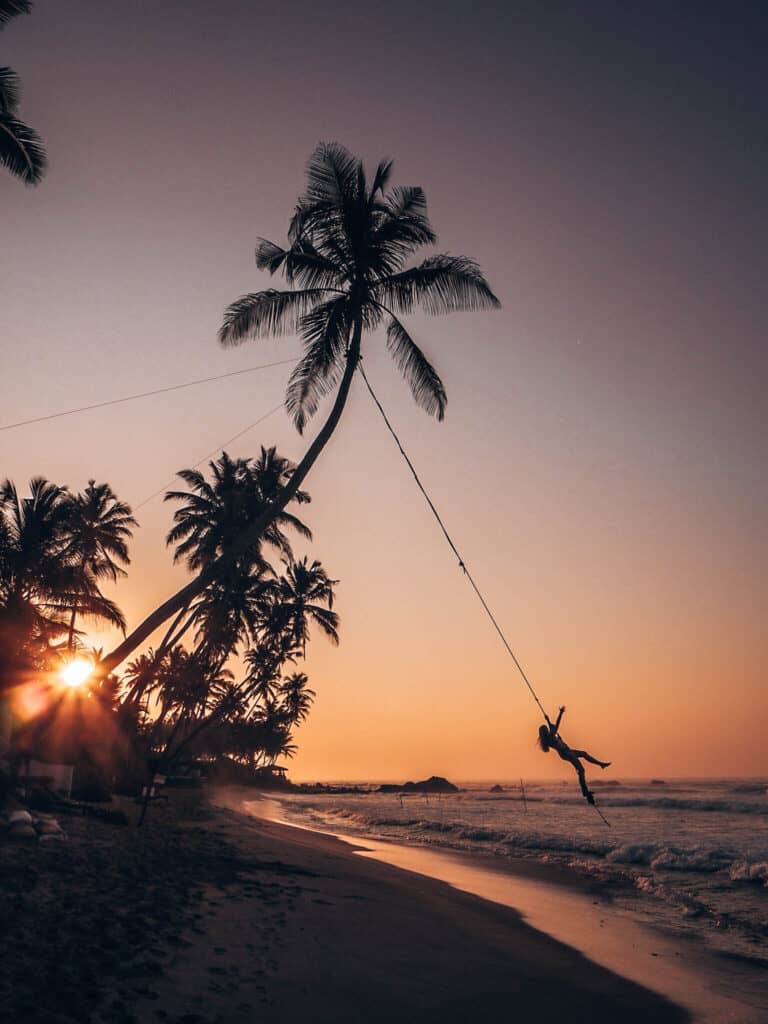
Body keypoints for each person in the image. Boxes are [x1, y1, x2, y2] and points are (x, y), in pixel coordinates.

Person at [538, 706, 610, 805]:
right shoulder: (550, 737)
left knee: (584, 754)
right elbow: (556, 725)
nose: (548, 729)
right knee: (581, 770)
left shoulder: (549, 737)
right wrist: (560, 713)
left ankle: (601, 765)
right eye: (546, 728)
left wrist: (548, 720)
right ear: (545, 732)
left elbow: (552, 727)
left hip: (567, 752)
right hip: (566, 753)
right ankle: (585, 791)